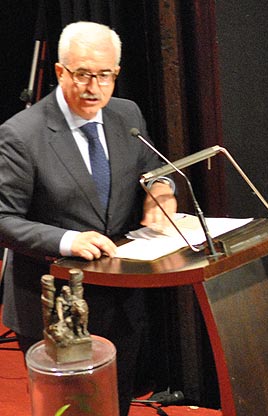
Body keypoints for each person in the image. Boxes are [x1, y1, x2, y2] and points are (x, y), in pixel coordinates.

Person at [0, 21, 176, 416]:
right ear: (61, 71)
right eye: (82, 75)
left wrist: (161, 190)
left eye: (105, 75)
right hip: (56, 307)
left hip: (121, 297)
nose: (93, 88)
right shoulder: (21, 134)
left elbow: (153, 168)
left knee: (117, 405)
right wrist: (66, 240)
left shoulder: (125, 114)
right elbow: (3, 218)